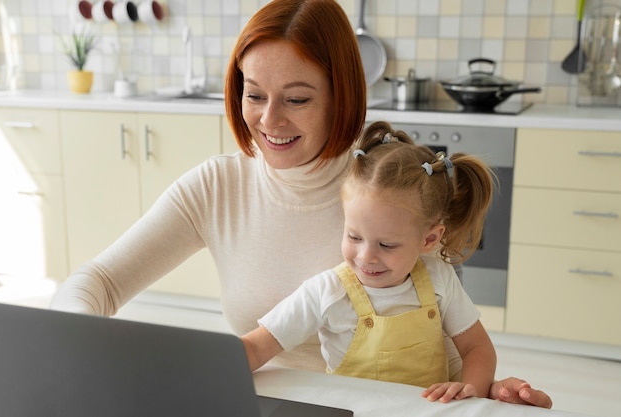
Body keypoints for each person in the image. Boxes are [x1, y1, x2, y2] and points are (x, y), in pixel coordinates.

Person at [50, 0, 551, 408]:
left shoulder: (383, 188)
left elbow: (441, 338)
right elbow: (99, 282)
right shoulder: (216, 187)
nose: (269, 120)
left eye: (297, 99)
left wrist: (487, 391)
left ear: (342, 96)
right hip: (282, 404)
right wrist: (74, 346)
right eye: (254, 94)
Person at [241, 121, 497, 402]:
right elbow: (255, 348)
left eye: (387, 244)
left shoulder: (439, 278)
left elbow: (477, 349)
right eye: (354, 236)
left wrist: (470, 390)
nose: (366, 256)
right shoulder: (326, 292)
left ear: (429, 240)